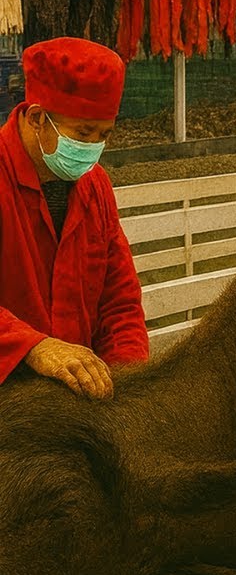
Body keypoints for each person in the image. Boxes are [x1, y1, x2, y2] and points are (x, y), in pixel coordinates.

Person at [0, 37, 147, 398]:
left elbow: (119, 300)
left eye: (104, 134)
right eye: (83, 133)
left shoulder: (95, 185)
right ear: (37, 118)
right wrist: (32, 346)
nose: (92, 147)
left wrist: (130, 383)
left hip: (74, 400)